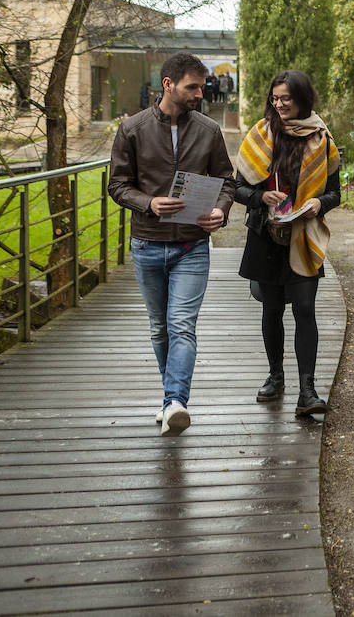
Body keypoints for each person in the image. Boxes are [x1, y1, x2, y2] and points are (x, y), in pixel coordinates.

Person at [108, 52, 234, 436]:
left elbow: (227, 180)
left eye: (200, 86)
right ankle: (170, 400)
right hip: (147, 243)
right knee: (159, 328)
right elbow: (117, 185)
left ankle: (176, 402)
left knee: (181, 325)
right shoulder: (132, 129)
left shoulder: (209, 131)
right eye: (192, 87)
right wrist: (149, 203)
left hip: (192, 245)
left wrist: (222, 210)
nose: (199, 93)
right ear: (168, 85)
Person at [233, 69, 341, 416]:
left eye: (286, 98)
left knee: (305, 309)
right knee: (272, 309)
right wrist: (261, 197)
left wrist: (318, 204)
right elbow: (236, 188)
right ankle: (275, 376)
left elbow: (336, 193)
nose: (278, 104)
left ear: (302, 99)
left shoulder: (322, 139)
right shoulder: (259, 134)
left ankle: (307, 391)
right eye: (274, 98)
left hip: (304, 236)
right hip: (266, 235)